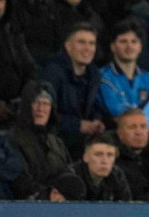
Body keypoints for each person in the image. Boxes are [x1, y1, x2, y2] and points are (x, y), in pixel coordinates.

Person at [40, 22, 106, 156]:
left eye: (91, 43)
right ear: (68, 46)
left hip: (82, 137)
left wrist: (96, 120)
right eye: (81, 42)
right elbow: (44, 114)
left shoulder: (94, 73)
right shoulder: (52, 72)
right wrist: (77, 125)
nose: (87, 48)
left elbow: (94, 106)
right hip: (56, 138)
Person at [9, 80, 71, 199]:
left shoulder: (57, 143)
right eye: (36, 102)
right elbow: (20, 182)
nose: (40, 109)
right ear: (26, 106)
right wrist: (48, 195)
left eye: (46, 103)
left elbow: (70, 176)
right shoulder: (13, 139)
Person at [98, 18, 149, 117]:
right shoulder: (103, 77)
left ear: (140, 47)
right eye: (123, 41)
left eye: (134, 42)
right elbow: (116, 113)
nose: (129, 46)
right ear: (113, 47)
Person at [113, 108, 149, 202]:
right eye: (132, 127)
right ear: (120, 134)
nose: (139, 132)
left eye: (143, 127)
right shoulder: (111, 160)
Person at [67, 132, 132, 202]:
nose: (104, 161)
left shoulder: (117, 176)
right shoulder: (70, 176)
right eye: (98, 154)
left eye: (110, 155)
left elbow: (125, 207)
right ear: (85, 157)